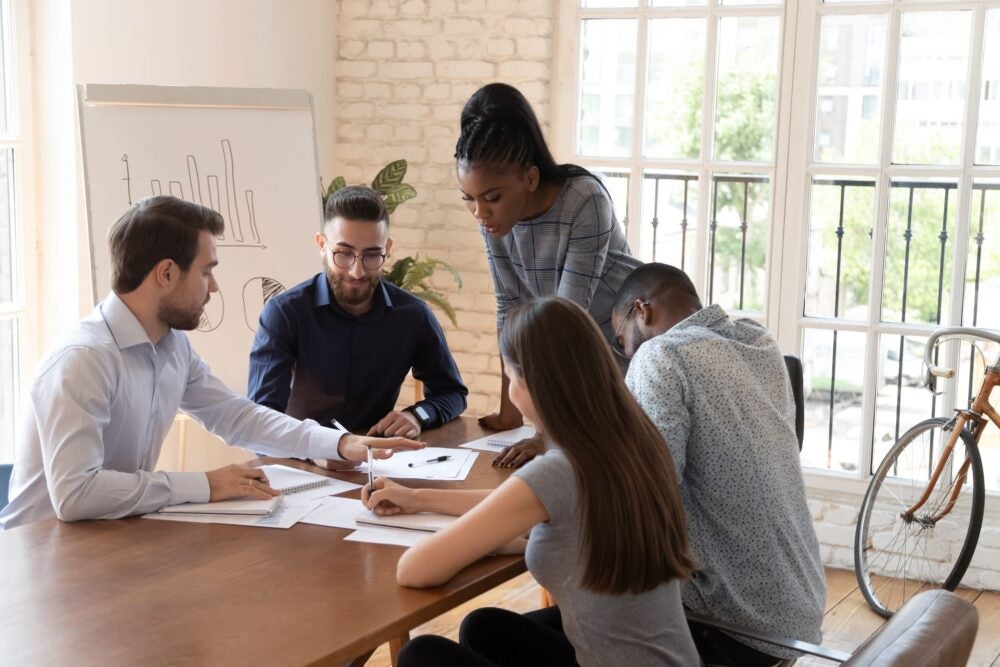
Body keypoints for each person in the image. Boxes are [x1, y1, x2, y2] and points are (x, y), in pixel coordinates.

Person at [0, 196, 422, 531]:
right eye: (207, 271)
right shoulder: (84, 361)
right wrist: (204, 484)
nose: (215, 287)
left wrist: (339, 443)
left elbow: (236, 416)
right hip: (37, 565)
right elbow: (76, 495)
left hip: (106, 541)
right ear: (166, 273)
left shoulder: (171, 347)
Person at [363, 297, 700, 667]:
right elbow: (520, 504)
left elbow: (414, 571)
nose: (509, 391)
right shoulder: (635, 440)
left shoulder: (559, 470)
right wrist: (416, 497)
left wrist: (477, 541)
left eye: (509, 377)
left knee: (422, 655)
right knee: (484, 627)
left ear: (531, 383)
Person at [611, 262, 825, 667]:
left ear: (642, 311)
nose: (626, 354)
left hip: (737, 626)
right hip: (801, 615)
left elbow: (648, 494)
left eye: (622, 339)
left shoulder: (660, 356)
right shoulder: (758, 341)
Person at [455, 82, 642, 467]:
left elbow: (563, 323)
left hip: (624, 357)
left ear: (531, 178)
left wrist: (544, 433)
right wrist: (509, 410)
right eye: (470, 199)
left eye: (491, 198)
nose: (480, 212)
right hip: (574, 365)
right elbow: (510, 305)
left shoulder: (584, 200)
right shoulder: (492, 219)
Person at [248, 185, 467, 440]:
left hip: (376, 461)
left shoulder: (413, 315)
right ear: (321, 245)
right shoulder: (285, 314)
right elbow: (260, 419)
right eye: (344, 254)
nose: (357, 271)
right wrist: (317, 450)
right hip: (301, 463)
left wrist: (417, 415)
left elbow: (452, 393)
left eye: (372, 256)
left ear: (388, 249)